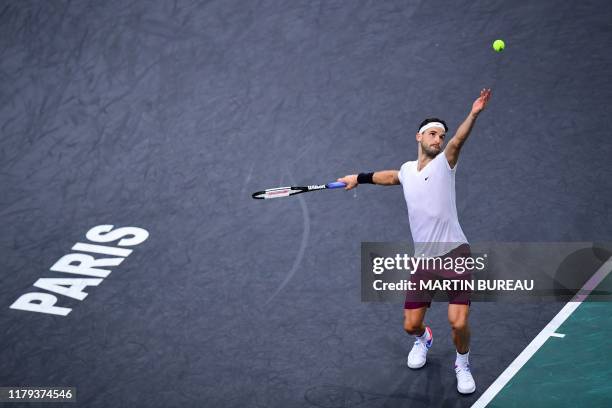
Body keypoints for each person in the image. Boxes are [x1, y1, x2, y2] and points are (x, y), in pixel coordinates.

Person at [337, 88, 492, 394]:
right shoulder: (408, 170)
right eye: (433, 134)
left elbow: (459, 140)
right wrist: (359, 177)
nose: (439, 139)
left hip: (455, 255)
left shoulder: (446, 163)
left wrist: (473, 114)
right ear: (419, 137)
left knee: (458, 323)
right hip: (424, 261)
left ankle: (462, 363)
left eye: (441, 135)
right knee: (410, 325)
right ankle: (424, 339)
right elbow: (391, 177)